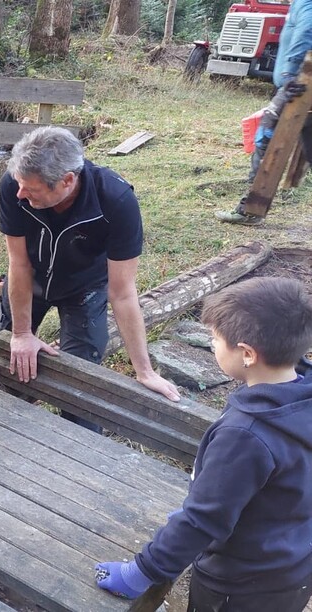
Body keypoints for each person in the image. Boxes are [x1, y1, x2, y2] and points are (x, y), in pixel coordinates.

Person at [95, 277, 312, 611]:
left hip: (237, 584)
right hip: (291, 569)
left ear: (248, 354)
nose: (212, 345)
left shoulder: (248, 434)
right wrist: (219, 496)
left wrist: (141, 571)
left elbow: (203, 521)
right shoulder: (297, 399)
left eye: (215, 339)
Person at [0, 126, 180, 433]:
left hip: (85, 287)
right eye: (18, 185)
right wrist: (21, 333)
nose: (20, 194)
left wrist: (144, 371)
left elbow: (122, 293)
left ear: (67, 181)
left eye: (32, 190)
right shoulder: (15, 185)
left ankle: (78, 445)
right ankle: (6, 422)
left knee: (80, 381)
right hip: (30, 278)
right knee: (12, 359)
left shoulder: (116, 202)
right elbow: (19, 264)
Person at [217, 0, 312, 225]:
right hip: (299, 82)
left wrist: (290, 75)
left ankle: (250, 209)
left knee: (266, 139)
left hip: (298, 84)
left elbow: (307, 31)